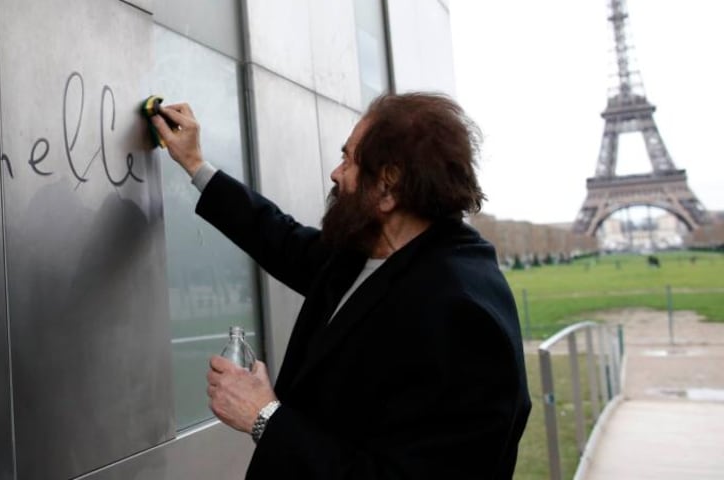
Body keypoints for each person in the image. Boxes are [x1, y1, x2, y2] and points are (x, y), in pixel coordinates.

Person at [151, 93, 531, 479]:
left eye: (349, 160)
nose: (336, 172)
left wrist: (264, 416)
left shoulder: (462, 316)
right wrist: (196, 164)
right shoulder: (367, 255)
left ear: (388, 187)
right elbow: (279, 238)